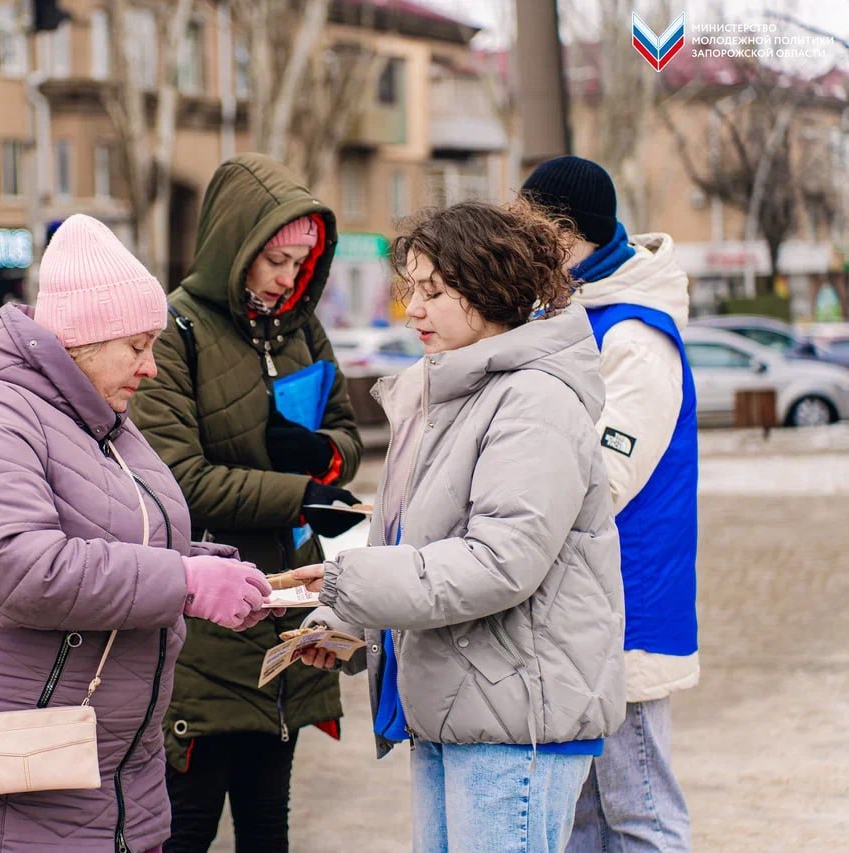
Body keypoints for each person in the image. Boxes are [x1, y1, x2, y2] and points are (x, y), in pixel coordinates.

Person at [0, 214, 279, 852]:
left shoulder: (100, 418)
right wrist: (183, 582)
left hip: (103, 769)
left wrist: (217, 569)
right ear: (83, 340)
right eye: (138, 345)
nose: (150, 368)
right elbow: (18, 569)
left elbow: (120, 534)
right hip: (9, 775)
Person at [294, 200, 626, 852]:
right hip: (458, 705)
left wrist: (352, 581)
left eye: (434, 291)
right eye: (410, 288)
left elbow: (500, 560)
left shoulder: (533, 399)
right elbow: (419, 547)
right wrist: (353, 626)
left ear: (491, 291)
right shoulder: (447, 393)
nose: (413, 308)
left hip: (516, 723)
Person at [129, 153, 365, 853]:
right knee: (187, 827)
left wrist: (319, 455)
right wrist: (301, 493)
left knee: (268, 829)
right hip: (205, 621)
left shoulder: (301, 329)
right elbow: (178, 477)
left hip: (287, 615)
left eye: (301, 263)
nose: (288, 279)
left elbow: (351, 436)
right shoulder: (177, 331)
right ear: (235, 246)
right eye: (275, 261)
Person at [522, 155, 698, 853]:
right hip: (585, 594)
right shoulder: (571, 316)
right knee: (587, 814)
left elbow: (607, 474)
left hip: (628, 598)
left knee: (640, 808)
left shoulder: (634, 334)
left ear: (567, 236)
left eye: (533, 234)